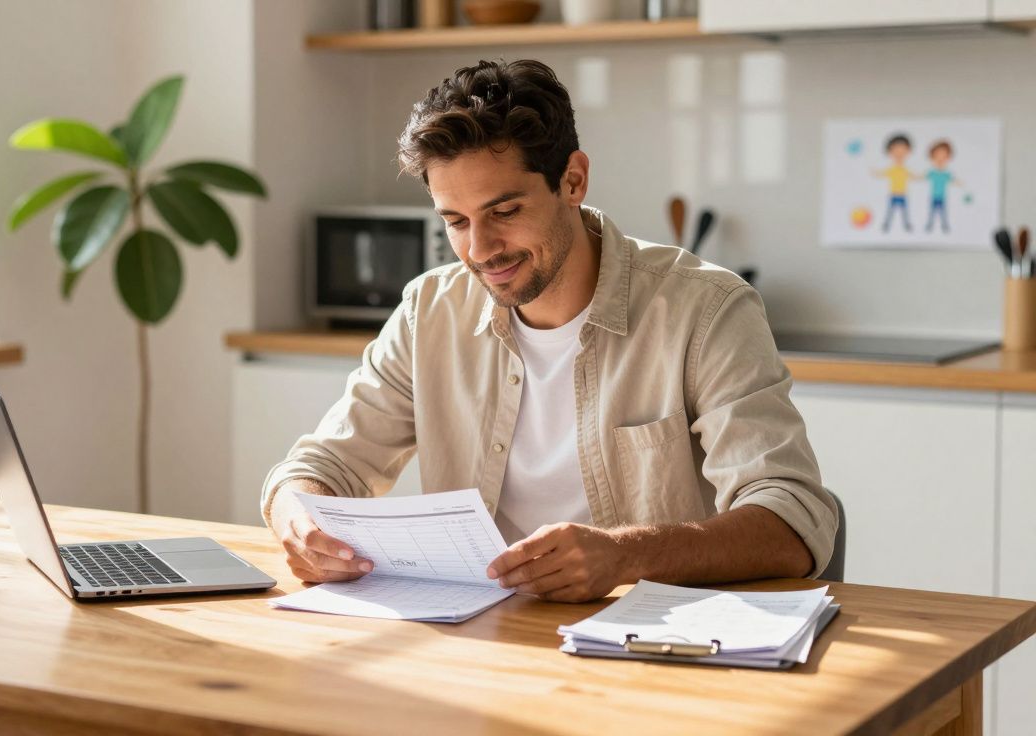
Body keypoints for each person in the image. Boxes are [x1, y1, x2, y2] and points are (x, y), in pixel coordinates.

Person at [260, 59, 838, 603]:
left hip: (652, 647)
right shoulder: (429, 311)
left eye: (505, 212)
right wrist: (300, 523)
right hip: (481, 637)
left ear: (573, 180)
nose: (480, 250)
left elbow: (791, 519)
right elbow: (317, 470)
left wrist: (624, 555)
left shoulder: (706, 310)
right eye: (456, 222)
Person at [874, 133, 920, 233]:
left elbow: (913, 176)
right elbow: (882, 174)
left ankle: (906, 225)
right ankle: (887, 224)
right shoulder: (892, 169)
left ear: (908, 151)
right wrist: (875, 173)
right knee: (890, 211)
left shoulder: (905, 169)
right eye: (895, 150)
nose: (899, 153)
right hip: (893, 194)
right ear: (889, 152)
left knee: (905, 212)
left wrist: (920, 177)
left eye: (902, 150)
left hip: (903, 194)